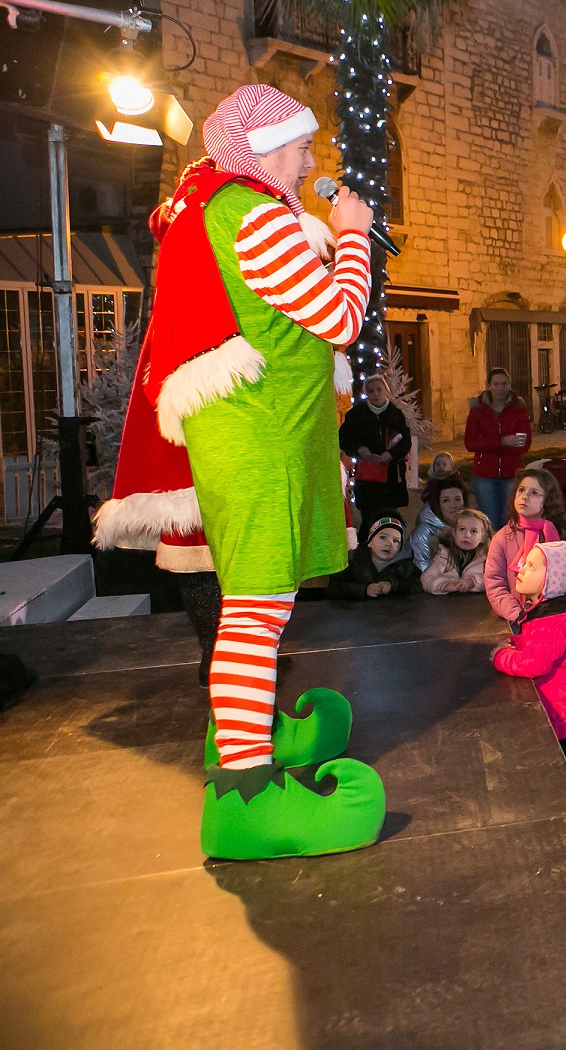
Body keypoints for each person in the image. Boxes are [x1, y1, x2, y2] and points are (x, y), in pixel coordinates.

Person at [91, 84, 386, 858]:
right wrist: (353, 236)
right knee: (255, 612)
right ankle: (245, 795)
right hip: (259, 442)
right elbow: (339, 318)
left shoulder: (217, 203)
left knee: (257, 606)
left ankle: (247, 734)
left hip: (256, 433)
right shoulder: (251, 212)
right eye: (301, 147)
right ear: (262, 151)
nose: (313, 160)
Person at [493, 539, 566, 842]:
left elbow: (535, 663)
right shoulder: (554, 611)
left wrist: (501, 656)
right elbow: (541, 648)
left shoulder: (550, 622)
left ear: (552, 581)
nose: (521, 568)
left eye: (532, 566)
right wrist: (519, 644)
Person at [483, 467, 566, 626]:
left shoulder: (559, 536)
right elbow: (495, 584)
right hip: (518, 619)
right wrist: (517, 614)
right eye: (521, 490)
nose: (525, 497)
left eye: (534, 493)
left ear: (548, 500)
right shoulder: (502, 538)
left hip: (553, 618)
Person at [465, 367, 532, 524]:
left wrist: (497, 444)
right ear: (488, 385)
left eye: (504, 384)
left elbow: (524, 442)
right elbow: (470, 443)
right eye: (496, 384)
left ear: (509, 385)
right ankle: (491, 549)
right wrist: (501, 442)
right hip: (484, 476)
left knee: (510, 520)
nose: (500, 388)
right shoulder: (478, 410)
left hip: (512, 472)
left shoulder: (518, 408)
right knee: (490, 521)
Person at [339, 373, 411, 518]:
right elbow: (344, 437)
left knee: (390, 514)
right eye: (371, 391)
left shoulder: (395, 414)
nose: (375, 394)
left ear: (386, 391)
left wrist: (391, 453)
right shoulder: (356, 415)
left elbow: (405, 441)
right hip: (368, 478)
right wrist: (358, 448)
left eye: (379, 389)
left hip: (391, 476)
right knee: (369, 516)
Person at [327, 513, 421, 599]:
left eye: (396, 541)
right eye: (382, 537)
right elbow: (334, 588)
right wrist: (364, 589)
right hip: (359, 614)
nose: (389, 544)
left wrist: (393, 585)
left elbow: (417, 585)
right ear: (370, 542)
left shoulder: (406, 567)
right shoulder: (354, 563)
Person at [420, 508, 493, 595]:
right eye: (462, 529)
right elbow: (426, 579)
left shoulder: (488, 558)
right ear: (454, 533)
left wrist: (472, 582)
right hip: (448, 605)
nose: (467, 535)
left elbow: (495, 579)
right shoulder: (444, 555)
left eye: (473, 531)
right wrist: (445, 585)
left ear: (483, 538)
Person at [406, 475, 466, 572]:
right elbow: (423, 570)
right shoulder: (424, 532)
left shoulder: (471, 525)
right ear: (438, 504)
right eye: (446, 500)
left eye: (458, 499)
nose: (453, 505)